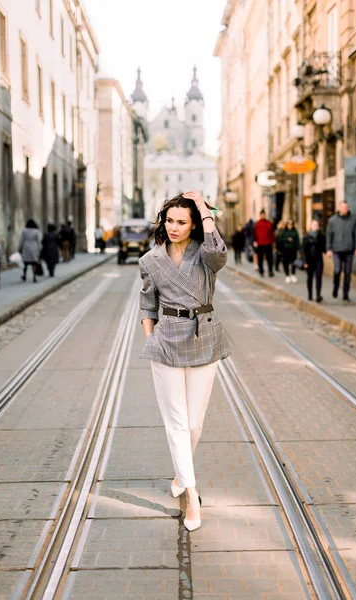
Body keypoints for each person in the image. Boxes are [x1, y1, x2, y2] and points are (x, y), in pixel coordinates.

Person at [139, 191, 231, 533]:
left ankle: (181, 472)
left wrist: (206, 211)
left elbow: (219, 254)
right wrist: (151, 339)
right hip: (166, 341)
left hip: (204, 335)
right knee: (176, 423)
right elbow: (147, 303)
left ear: (194, 225)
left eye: (181, 221)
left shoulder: (206, 255)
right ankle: (192, 495)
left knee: (194, 424)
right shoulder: (150, 260)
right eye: (169, 220)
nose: (173, 227)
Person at [326, 201, 356, 303]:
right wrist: (328, 249)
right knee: (337, 270)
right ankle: (335, 287)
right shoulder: (332, 220)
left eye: (347, 207)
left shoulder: (353, 220)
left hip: (349, 250)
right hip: (337, 250)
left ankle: (346, 294)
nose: (346, 209)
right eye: (344, 207)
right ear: (339, 208)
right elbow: (329, 235)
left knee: (347, 272)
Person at [303, 220, 326, 302]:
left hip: (319, 259)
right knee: (310, 277)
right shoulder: (306, 237)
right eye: (314, 225)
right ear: (311, 226)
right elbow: (304, 250)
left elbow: (324, 248)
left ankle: (318, 295)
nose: (315, 226)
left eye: (316, 225)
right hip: (309, 260)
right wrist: (305, 261)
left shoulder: (321, 236)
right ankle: (310, 294)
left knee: (319, 277)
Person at [253, 209, 275, 277]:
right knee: (260, 258)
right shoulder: (257, 224)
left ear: (265, 215)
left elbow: (272, 234)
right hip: (260, 244)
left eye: (264, 215)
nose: (263, 216)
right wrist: (255, 241)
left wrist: (273, 242)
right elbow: (254, 234)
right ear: (260, 215)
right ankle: (261, 270)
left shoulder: (268, 224)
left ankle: (270, 271)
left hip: (268, 243)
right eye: (262, 215)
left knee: (269, 258)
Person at [19, 219, 41, 283]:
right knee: (34, 263)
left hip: (26, 247)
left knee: (25, 263)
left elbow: (21, 240)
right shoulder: (36, 231)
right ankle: (34, 276)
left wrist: (20, 248)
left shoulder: (24, 231)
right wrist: (39, 249)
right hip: (34, 247)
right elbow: (38, 241)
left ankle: (24, 275)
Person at [281, 218, 300, 283]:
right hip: (286, 249)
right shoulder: (284, 231)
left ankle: (293, 274)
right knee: (286, 262)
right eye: (288, 223)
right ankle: (287, 275)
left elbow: (297, 240)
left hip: (293, 249)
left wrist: (298, 249)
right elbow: (280, 239)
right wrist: (287, 239)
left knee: (293, 262)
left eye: (291, 224)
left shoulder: (295, 231)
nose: (290, 225)